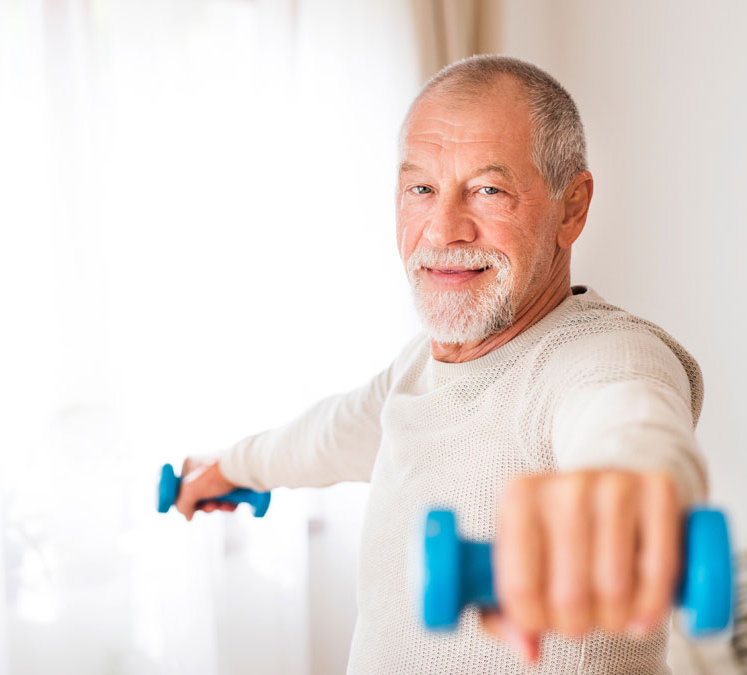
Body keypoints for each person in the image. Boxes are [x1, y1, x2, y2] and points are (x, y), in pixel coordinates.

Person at [174, 54, 707, 674]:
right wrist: (230, 465)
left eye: (488, 190)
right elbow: (328, 435)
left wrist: (626, 496)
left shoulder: (601, 354)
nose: (444, 228)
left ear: (572, 208)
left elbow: (630, 420)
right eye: (421, 189)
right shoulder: (418, 368)